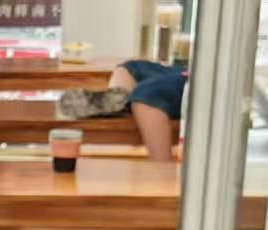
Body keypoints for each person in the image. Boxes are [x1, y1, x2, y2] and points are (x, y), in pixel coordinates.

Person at [58, 60, 187, 161]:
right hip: (184, 71)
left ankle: (162, 171)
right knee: (130, 68)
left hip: (195, 80)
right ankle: (118, 99)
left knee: (146, 91)